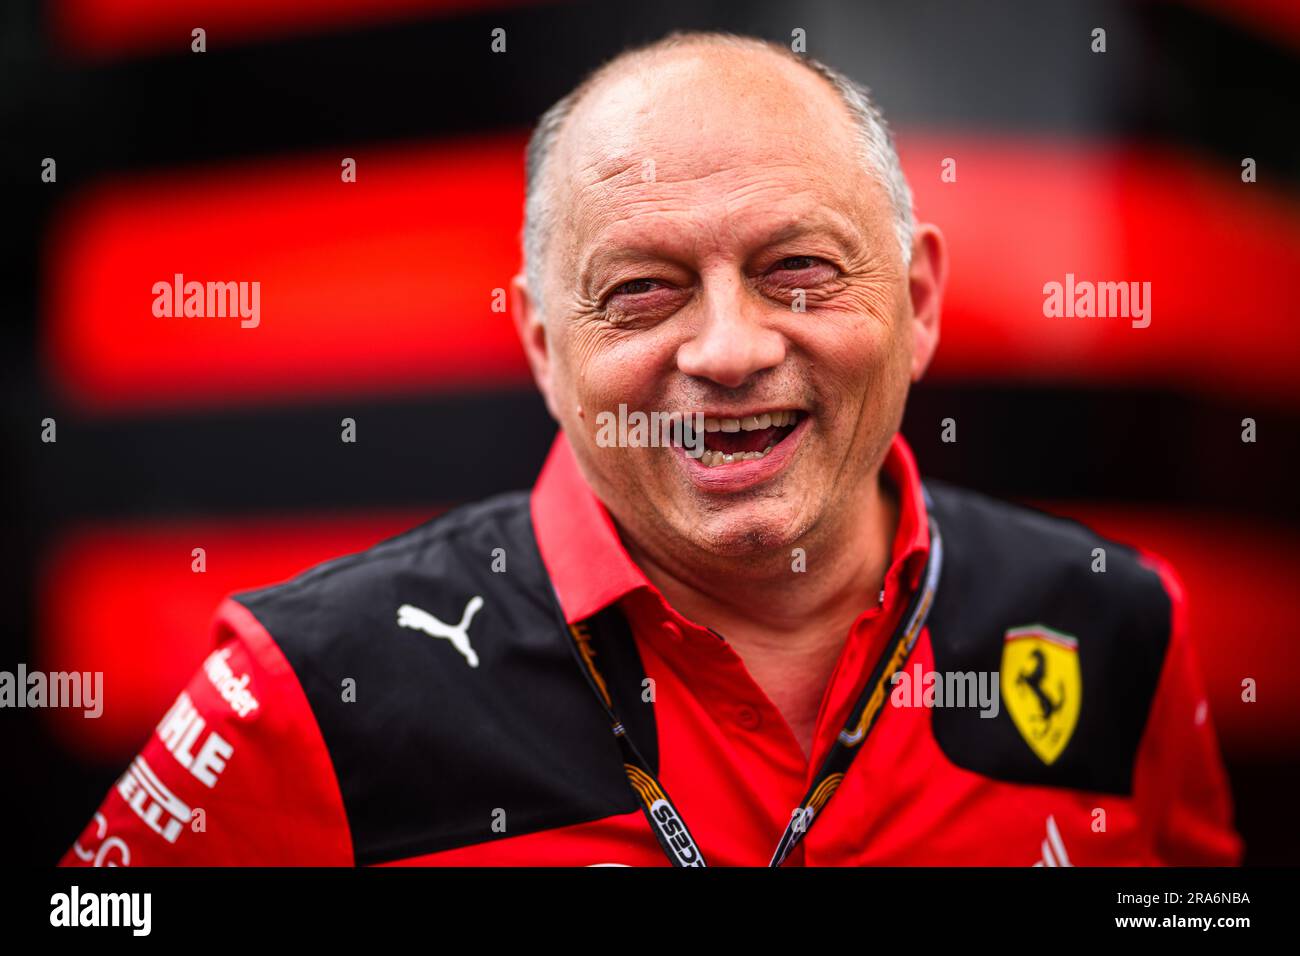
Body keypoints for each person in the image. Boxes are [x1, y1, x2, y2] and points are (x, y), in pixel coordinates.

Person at [60, 30, 1241, 867]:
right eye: (640, 291)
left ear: (921, 299)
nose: (726, 348)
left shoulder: (1118, 626)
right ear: (538, 342)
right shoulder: (296, 693)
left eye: (798, 269)